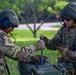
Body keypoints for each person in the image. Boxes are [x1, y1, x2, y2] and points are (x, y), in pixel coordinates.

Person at [0, 9, 45, 75]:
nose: (12, 30)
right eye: (12, 27)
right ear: (5, 23)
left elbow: (11, 53)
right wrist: (36, 46)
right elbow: (16, 53)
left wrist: (31, 58)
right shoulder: (1, 36)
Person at [41, 2, 76, 75]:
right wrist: (47, 42)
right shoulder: (63, 30)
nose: (65, 21)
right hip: (64, 66)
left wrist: (68, 53)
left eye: (68, 19)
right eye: (64, 18)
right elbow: (54, 44)